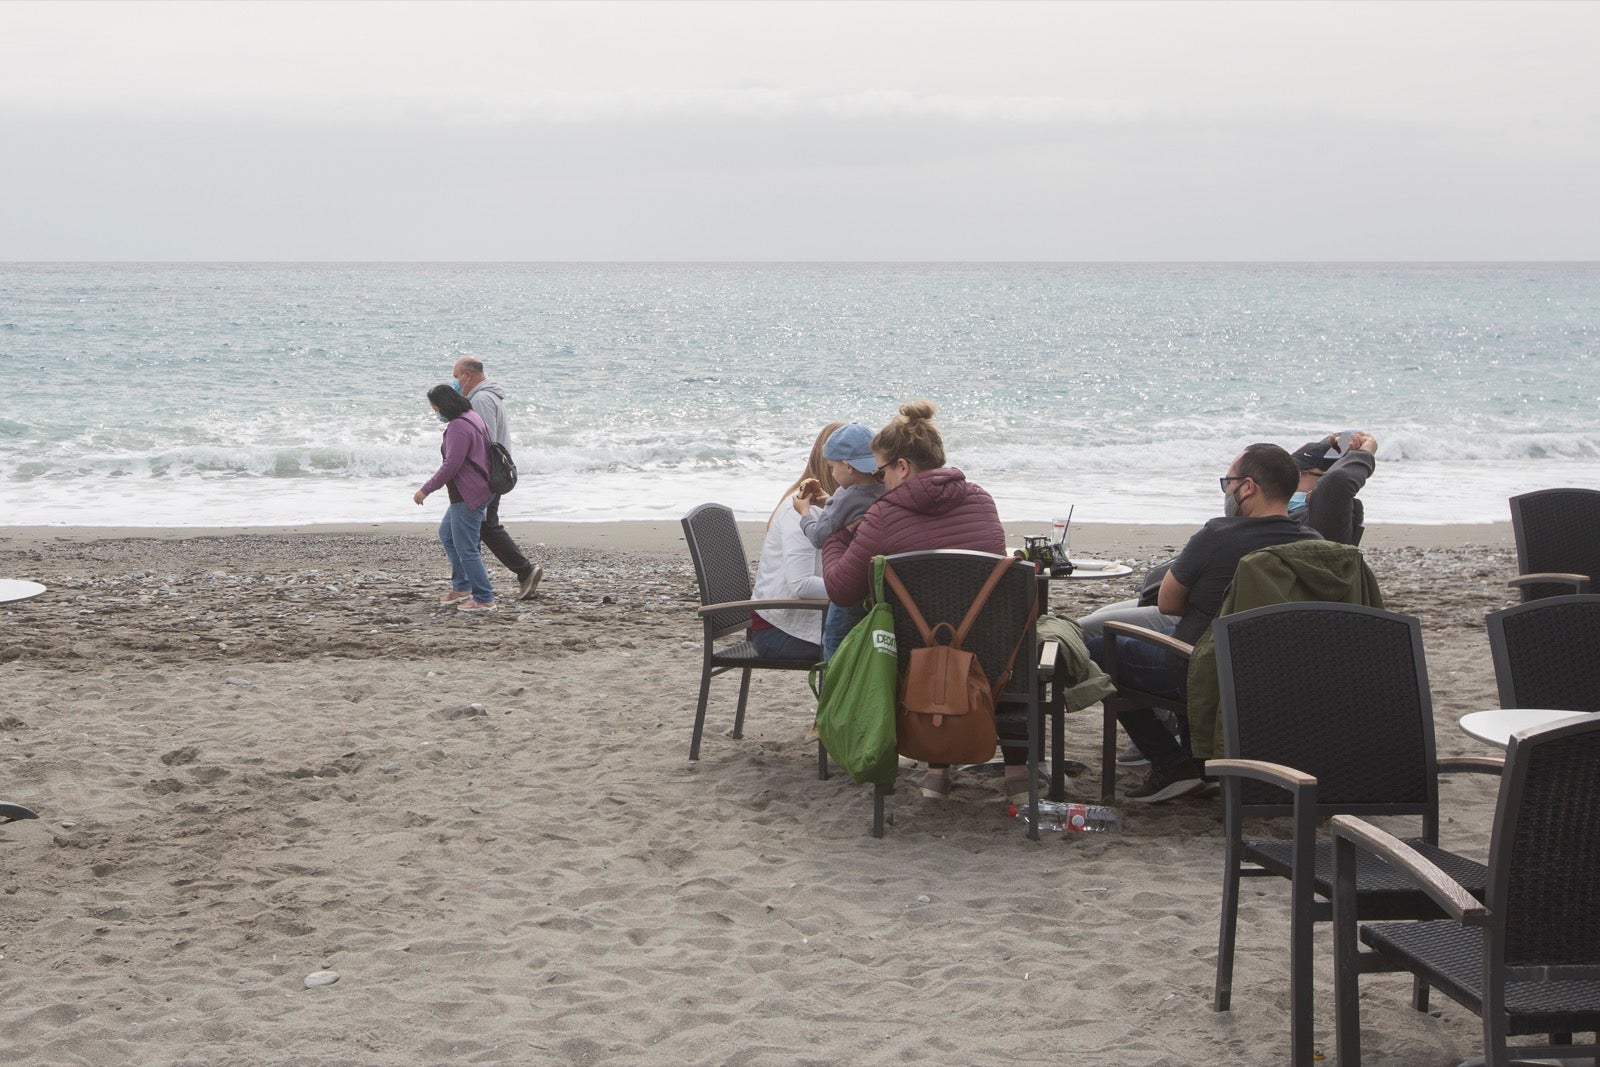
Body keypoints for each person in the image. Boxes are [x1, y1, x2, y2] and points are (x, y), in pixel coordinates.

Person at [1089, 443, 1320, 803]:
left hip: (1204, 673)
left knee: (1097, 649)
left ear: (1247, 487)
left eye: (1228, 482)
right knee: (1190, 644)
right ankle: (1201, 764)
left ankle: (1171, 764)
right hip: (1280, 675)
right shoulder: (1313, 544)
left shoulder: (1219, 535)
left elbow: (1167, 602)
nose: (1226, 490)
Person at [821, 400, 1017, 803]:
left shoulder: (884, 514)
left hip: (912, 667)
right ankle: (1018, 770)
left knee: (919, 628)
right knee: (969, 622)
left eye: (882, 471)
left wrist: (838, 537)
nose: (879, 481)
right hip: (990, 661)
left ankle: (937, 769)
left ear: (903, 467)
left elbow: (841, 589)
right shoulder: (982, 500)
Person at [747, 423, 844, 663]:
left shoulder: (833, 505)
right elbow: (801, 584)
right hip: (778, 630)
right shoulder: (800, 509)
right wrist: (853, 591)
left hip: (803, 619)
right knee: (867, 650)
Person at [793, 422, 888, 661]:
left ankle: (832, 690)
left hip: (849, 579)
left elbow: (819, 537)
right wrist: (827, 501)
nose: (832, 473)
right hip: (877, 583)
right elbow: (853, 511)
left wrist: (804, 513)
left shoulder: (844, 497)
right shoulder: (885, 487)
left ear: (848, 466)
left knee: (834, 638)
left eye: (833, 467)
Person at [451, 357, 543, 600]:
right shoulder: (489, 396)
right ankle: (470, 583)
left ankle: (521, 572)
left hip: (487, 475)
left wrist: (472, 477)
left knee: (483, 527)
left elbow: (482, 440)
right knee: (480, 527)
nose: (455, 382)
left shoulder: (481, 399)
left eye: (456, 376)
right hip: (491, 473)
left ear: (467, 376)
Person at [414, 384, 498, 612]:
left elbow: (451, 465)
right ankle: (462, 586)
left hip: (469, 493)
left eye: (435, 409)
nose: (435, 413)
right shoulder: (472, 416)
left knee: (467, 547)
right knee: (447, 534)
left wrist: (426, 489)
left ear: (444, 405)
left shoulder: (459, 427)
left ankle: (484, 598)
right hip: (479, 489)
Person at [1288, 431, 1378, 545]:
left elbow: (1337, 481)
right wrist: (1343, 440)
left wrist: (1364, 453)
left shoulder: (1327, 517)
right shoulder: (1283, 511)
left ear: (1324, 478)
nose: (1288, 479)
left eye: (1300, 473)